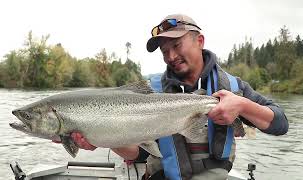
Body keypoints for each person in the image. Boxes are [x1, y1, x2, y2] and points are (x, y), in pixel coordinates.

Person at [65, 14, 289, 180]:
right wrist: (102, 139)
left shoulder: (232, 86)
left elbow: (280, 123)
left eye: (176, 45)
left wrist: (241, 105)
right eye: (164, 51)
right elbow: (139, 153)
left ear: (199, 41)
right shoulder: (151, 92)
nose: (171, 56)